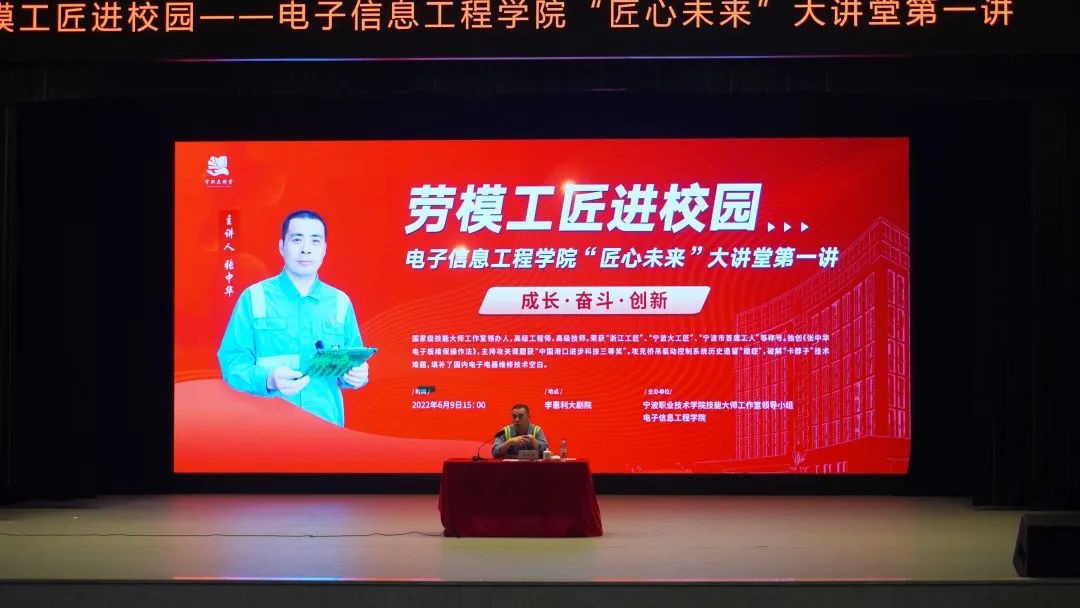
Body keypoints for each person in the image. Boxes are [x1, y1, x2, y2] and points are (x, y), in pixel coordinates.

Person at [217, 209, 369, 427]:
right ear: (282, 246)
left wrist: (357, 376)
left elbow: (351, 364)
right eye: (297, 240)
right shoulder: (254, 298)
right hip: (266, 429)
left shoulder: (340, 302)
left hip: (325, 427)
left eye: (315, 241)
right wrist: (268, 380)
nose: (306, 249)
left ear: (324, 249)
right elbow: (233, 364)